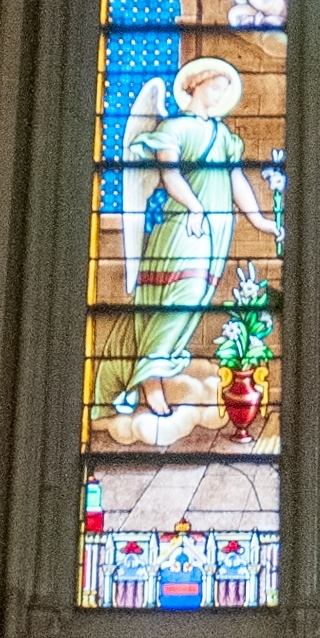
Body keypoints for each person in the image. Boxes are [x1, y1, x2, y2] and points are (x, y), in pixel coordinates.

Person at [115, 58, 279, 417]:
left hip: (215, 233)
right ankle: (149, 379)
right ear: (195, 85)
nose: (220, 95)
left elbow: (236, 179)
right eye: (215, 87)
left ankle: (153, 372)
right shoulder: (172, 128)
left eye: (224, 89)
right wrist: (194, 207)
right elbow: (169, 174)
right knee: (180, 296)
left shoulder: (223, 136)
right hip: (182, 227)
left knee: (195, 298)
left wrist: (259, 220)